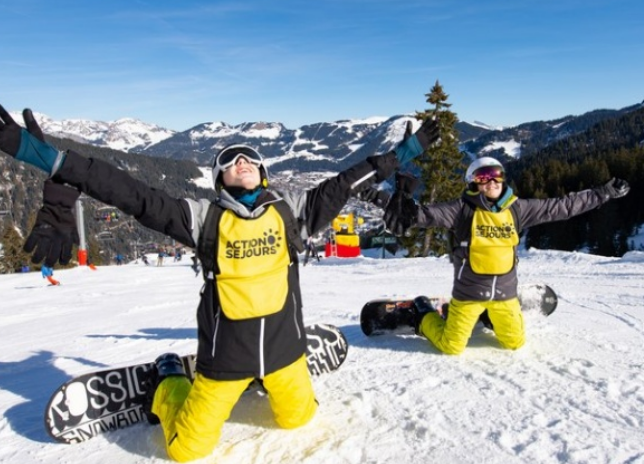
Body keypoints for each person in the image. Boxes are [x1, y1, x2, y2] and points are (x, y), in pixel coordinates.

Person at [0, 105, 439, 462]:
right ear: (218, 179)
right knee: (188, 449)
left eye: (247, 156)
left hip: (285, 353)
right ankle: (169, 379)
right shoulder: (203, 220)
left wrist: (405, 153)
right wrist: (51, 159)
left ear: (263, 171)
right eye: (228, 160)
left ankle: (266, 378)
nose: (240, 161)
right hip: (224, 360)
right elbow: (128, 192)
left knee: (299, 420)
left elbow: (350, 181)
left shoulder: (294, 212)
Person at [383, 156, 630, 355]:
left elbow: (561, 206)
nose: (492, 181)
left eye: (497, 175)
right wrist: (408, 212)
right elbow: (427, 215)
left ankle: (490, 317)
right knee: (452, 346)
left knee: (514, 343)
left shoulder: (517, 209)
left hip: (504, 293)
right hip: (469, 294)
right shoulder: (461, 210)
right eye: (484, 177)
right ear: (473, 182)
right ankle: (422, 315)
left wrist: (601, 193)